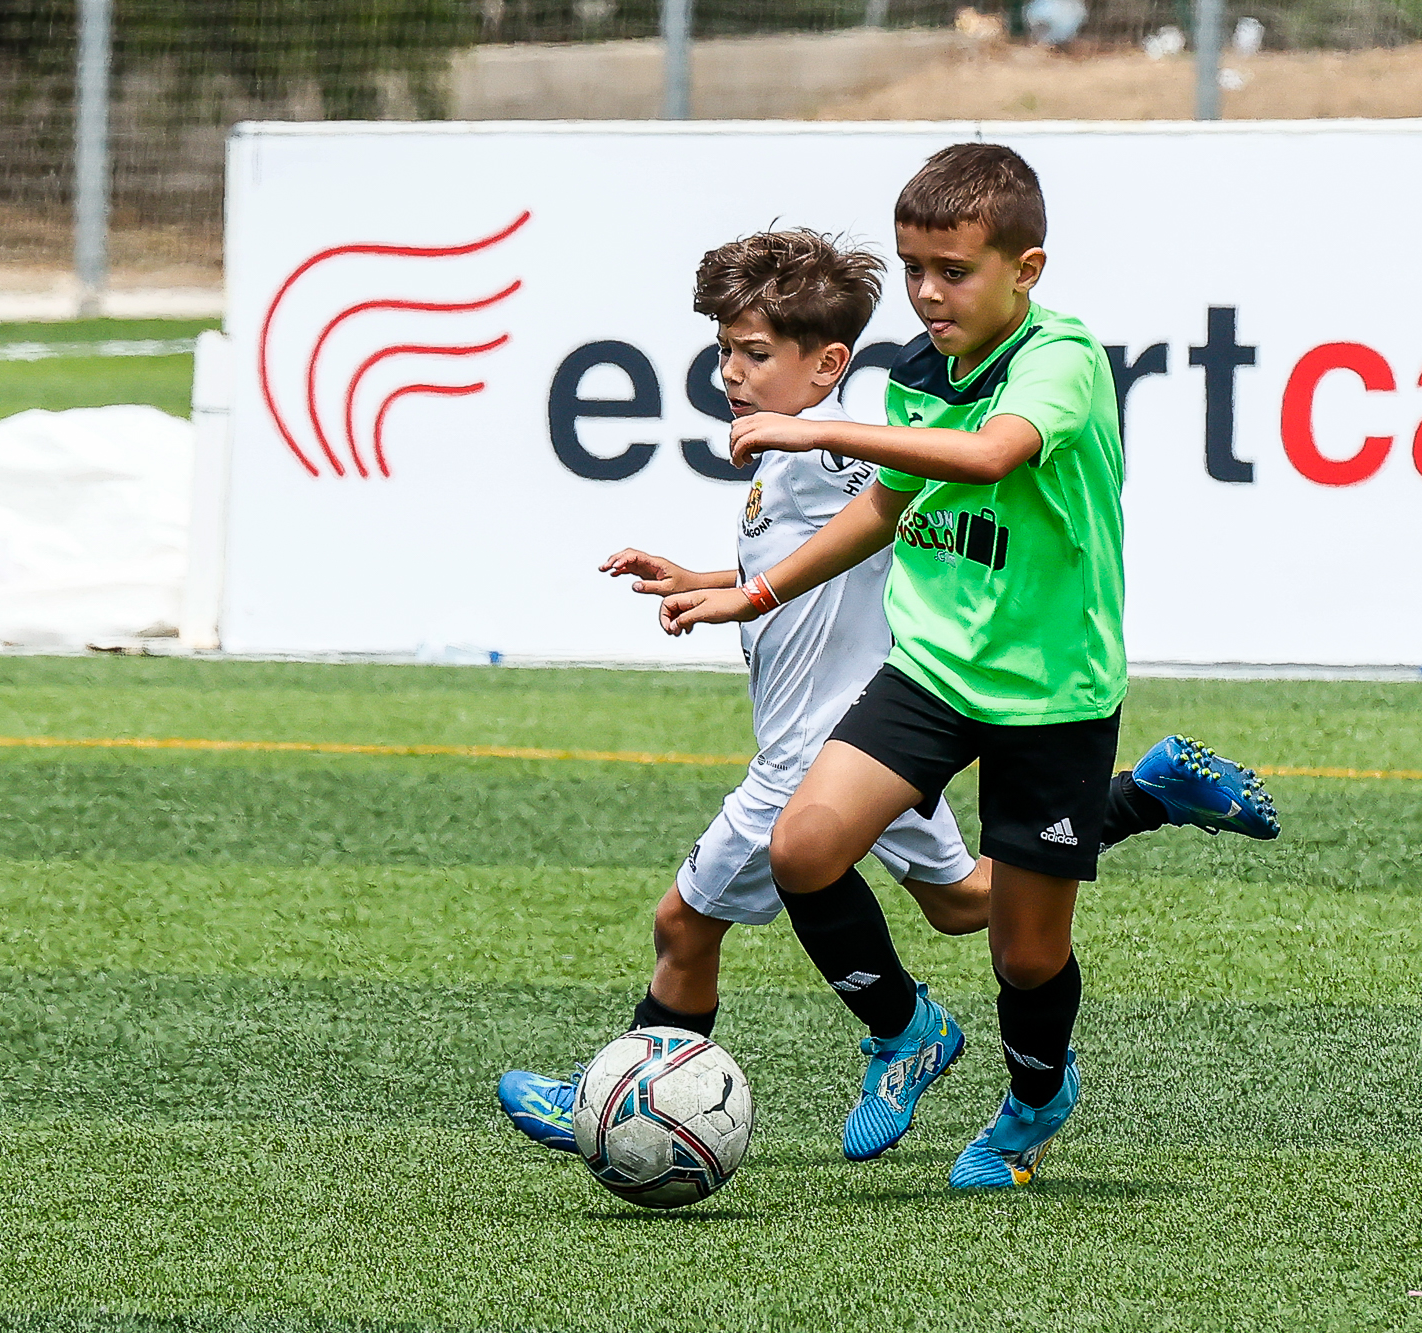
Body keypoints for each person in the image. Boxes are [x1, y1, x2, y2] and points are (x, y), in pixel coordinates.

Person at [496, 227, 1279, 1157]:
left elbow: (922, 484)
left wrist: (811, 457)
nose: (731, 373)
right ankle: (1142, 796)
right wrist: (715, 582)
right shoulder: (796, 455)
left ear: (828, 366)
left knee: (685, 920)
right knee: (964, 903)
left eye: (754, 354)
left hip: (823, 746)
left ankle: (632, 1094)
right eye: (723, 351)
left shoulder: (828, 451)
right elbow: (830, 553)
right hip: (875, 735)